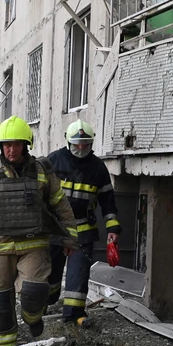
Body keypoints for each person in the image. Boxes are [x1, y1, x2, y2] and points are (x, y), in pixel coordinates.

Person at [0, 116, 79, 346]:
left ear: (26, 145)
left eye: (17, 144)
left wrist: (70, 238)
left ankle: (33, 317)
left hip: (34, 244)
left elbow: (61, 205)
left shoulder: (42, 173)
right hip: (0, 248)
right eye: (7, 144)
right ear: (0, 146)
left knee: (33, 291)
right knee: (0, 302)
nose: (11, 149)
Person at [44, 120, 121, 326]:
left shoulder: (97, 167)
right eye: (77, 144)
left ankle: (74, 314)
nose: (80, 148)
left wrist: (112, 227)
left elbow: (107, 200)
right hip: (55, 228)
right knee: (49, 271)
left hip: (82, 229)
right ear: (68, 142)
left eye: (85, 144)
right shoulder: (54, 161)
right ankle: (46, 301)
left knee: (78, 272)